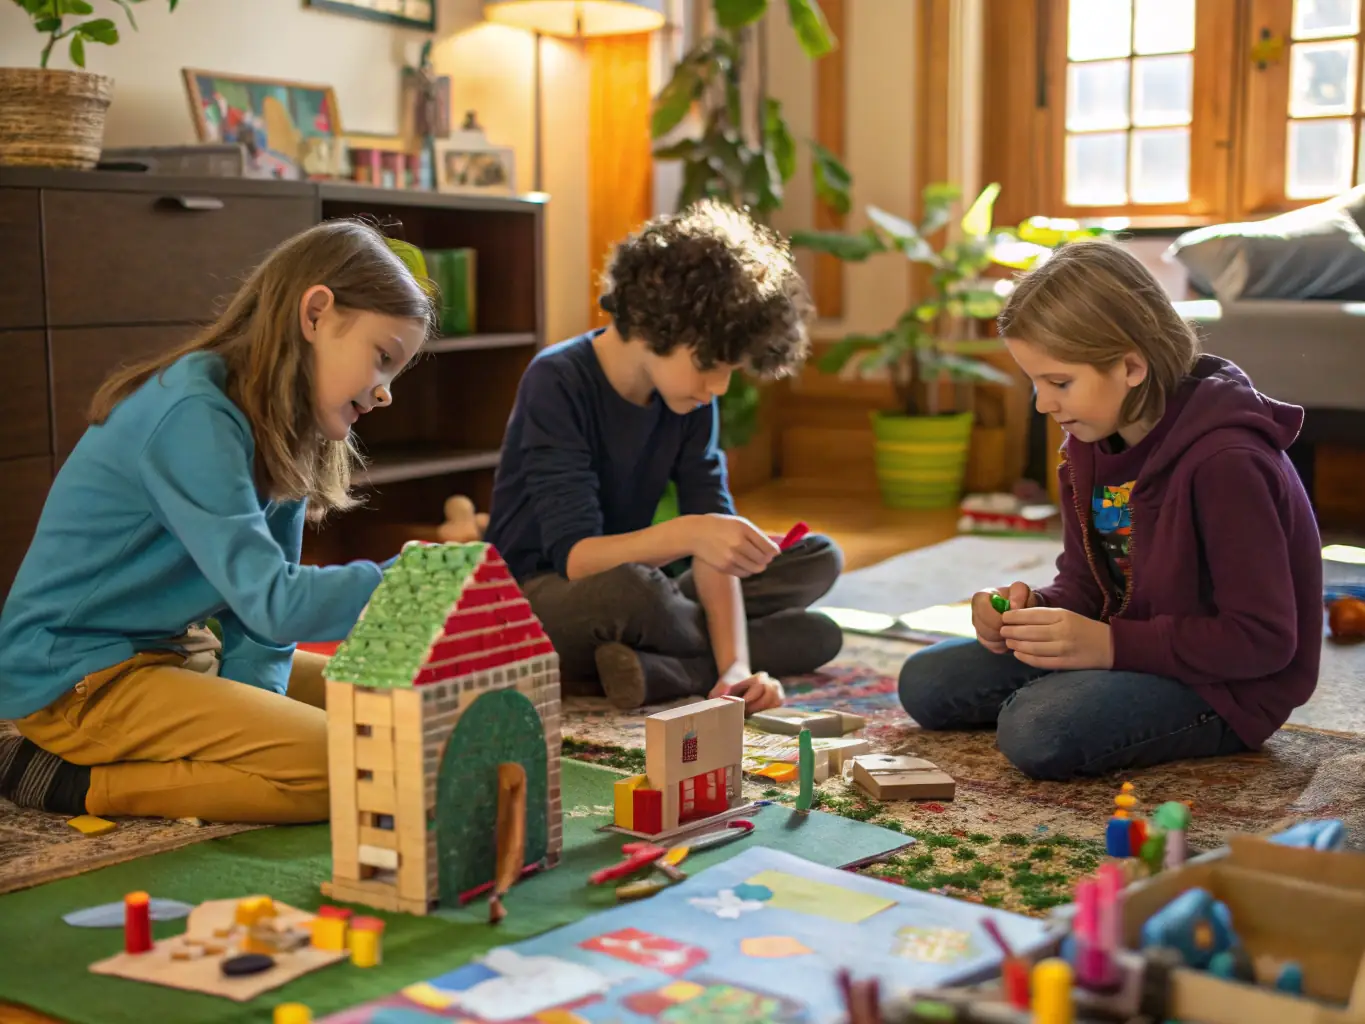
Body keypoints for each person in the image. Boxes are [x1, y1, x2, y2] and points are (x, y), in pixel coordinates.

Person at [0, 220, 435, 823]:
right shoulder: (191, 415)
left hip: (175, 652)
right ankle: (78, 783)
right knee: (359, 773)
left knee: (405, 720)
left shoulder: (279, 420)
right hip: (78, 675)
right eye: (382, 359)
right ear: (315, 314)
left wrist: (254, 709)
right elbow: (275, 602)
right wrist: (407, 583)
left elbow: (264, 623)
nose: (385, 392)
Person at [898, 240, 1321, 780]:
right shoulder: (1087, 445)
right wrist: (1031, 612)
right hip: (1129, 648)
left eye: (1059, 382)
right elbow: (1088, 586)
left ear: (1130, 366)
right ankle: (1080, 688)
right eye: (1034, 382)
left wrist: (1108, 646)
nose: (1043, 404)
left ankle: (1078, 695)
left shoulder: (1228, 462)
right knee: (927, 683)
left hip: (1225, 687)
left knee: (1037, 728)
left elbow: (1263, 641)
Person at [485, 200, 844, 712]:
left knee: (817, 559)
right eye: (712, 365)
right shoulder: (557, 379)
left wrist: (736, 667)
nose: (718, 386)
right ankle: (693, 658)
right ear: (659, 326)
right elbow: (577, 557)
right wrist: (694, 533)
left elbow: (712, 538)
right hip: (537, 599)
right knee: (637, 592)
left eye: (730, 369)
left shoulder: (689, 394)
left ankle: (668, 670)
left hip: (645, 589)